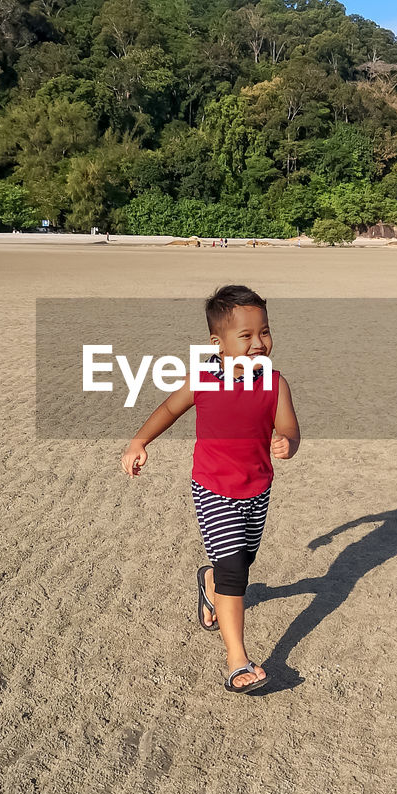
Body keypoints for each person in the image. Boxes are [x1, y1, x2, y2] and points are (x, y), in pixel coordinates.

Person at [121, 284, 301, 693]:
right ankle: (237, 659)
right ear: (217, 344)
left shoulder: (275, 383)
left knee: (242, 562)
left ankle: (209, 583)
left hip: (257, 489)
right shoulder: (203, 379)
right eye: (246, 336)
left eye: (265, 332)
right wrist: (139, 441)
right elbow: (169, 408)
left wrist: (287, 442)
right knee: (234, 570)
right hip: (213, 488)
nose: (259, 343)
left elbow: (289, 426)